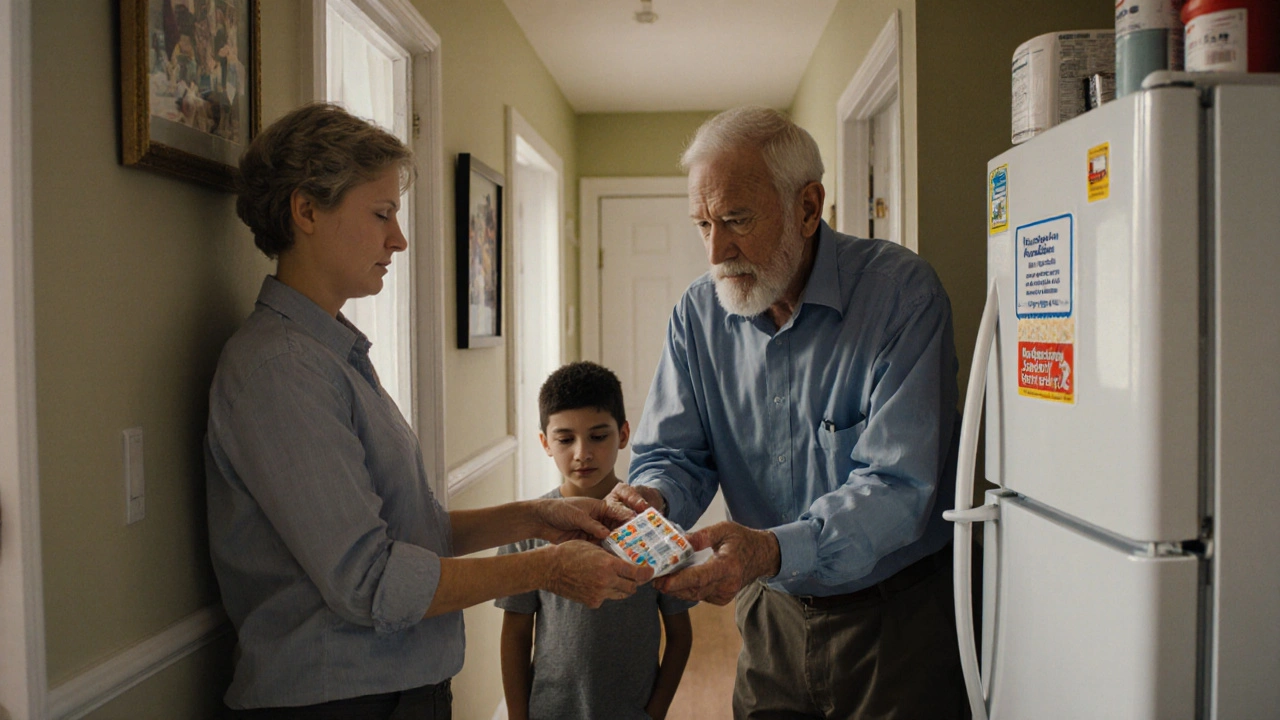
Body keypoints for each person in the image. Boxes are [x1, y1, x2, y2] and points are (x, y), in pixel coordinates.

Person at [205, 103, 651, 719]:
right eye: (382, 213)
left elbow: (407, 533)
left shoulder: (332, 355)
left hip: (388, 692)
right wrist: (546, 568)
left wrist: (537, 516)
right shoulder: (280, 371)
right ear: (305, 210)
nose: (399, 238)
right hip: (339, 701)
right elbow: (372, 579)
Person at [607, 106, 968, 719]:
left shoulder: (901, 295)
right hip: (770, 616)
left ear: (808, 206)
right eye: (703, 224)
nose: (717, 250)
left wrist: (769, 551)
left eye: (737, 220)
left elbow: (898, 485)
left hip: (895, 622)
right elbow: (674, 453)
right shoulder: (698, 316)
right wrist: (652, 502)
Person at [496, 361, 694, 720]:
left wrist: (655, 712)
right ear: (544, 442)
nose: (582, 453)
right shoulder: (528, 528)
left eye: (598, 436)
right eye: (565, 438)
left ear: (623, 434)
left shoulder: (653, 528)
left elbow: (680, 635)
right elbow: (515, 634)